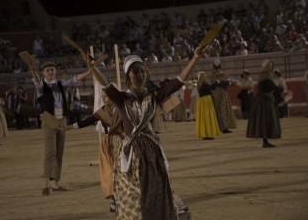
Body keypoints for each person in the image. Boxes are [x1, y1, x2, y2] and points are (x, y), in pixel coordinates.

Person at [83, 45, 206, 219]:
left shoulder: (154, 95)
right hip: (131, 155)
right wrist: (93, 67)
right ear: (128, 76)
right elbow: (105, 84)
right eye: (135, 72)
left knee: (157, 193)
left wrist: (194, 58)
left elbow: (178, 81)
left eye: (142, 71)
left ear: (146, 73)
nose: (139, 74)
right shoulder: (121, 98)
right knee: (133, 197)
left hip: (152, 153)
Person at [29, 60, 91, 196]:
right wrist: (33, 70)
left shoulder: (60, 84)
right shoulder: (41, 86)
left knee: (59, 153)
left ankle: (54, 183)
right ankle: (46, 184)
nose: (50, 72)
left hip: (62, 121)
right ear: (43, 73)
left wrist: (90, 70)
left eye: (52, 69)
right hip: (48, 121)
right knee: (49, 153)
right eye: (47, 70)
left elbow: (75, 79)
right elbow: (36, 81)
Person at [64, 89, 124, 213]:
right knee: (109, 173)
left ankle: (123, 199)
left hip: (122, 143)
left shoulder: (123, 109)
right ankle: (113, 200)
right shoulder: (102, 112)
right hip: (107, 145)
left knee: (122, 172)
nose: (103, 99)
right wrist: (69, 127)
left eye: (106, 97)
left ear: (113, 97)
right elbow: (87, 121)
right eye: (102, 97)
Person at [247, 59, 281, 148]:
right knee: (266, 119)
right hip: (265, 100)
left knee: (262, 120)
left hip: (261, 99)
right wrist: (283, 89)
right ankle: (265, 142)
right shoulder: (267, 78)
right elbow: (273, 87)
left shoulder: (263, 76)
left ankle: (265, 141)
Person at [210, 58, 237, 133]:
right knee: (223, 109)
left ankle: (217, 127)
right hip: (222, 93)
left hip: (215, 93)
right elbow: (225, 83)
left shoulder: (212, 74)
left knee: (217, 110)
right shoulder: (222, 73)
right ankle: (224, 127)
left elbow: (211, 84)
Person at [196, 71, 221, 140]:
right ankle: (208, 134)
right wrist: (217, 82)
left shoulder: (199, 83)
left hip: (203, 101)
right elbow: (211, 87)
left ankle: (206, 134)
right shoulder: (203, 84)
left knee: (205, 118)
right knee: (208, 118)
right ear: (201, 77)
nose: (205, 77)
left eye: (205, 76)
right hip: (206, 101)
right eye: (203, 76)